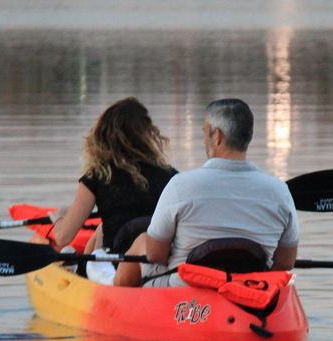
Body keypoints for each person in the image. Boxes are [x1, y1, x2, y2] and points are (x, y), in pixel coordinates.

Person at [114, 98, 298, 287]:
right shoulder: (279, 191)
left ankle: (115, 305)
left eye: (204, 133)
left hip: (184, 295)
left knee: (143, 241)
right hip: (249, 293)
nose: (203, 140)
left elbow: (155, 255)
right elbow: (286, 262)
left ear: (217, 136)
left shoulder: (180, 185)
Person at [48, 97, 177, 256]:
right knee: (101, 228)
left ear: (103, 136)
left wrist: (58, 219)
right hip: (157, 260)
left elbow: (63, 237)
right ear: (147, 133)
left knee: (97, 231)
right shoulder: (169, 175)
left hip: (117, 264)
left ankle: (76, 267)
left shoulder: (98, 176)